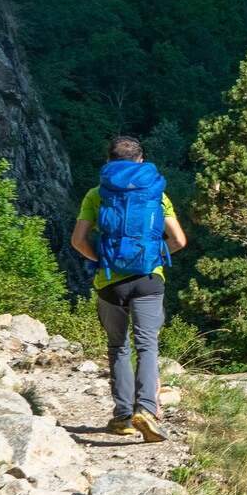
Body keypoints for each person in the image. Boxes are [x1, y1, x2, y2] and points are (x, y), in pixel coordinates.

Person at [69, 136, 188, 442]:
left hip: (110, 281)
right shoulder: (156, 194)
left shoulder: (96, 194)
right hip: (149, 279)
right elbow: (179, 241)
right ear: (141, 160)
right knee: (147, 345)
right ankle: (146, 410)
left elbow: (78, 240)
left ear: (108, 161)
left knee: (118, 347)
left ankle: (122, 416)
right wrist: (154, 257)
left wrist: (103, 259)